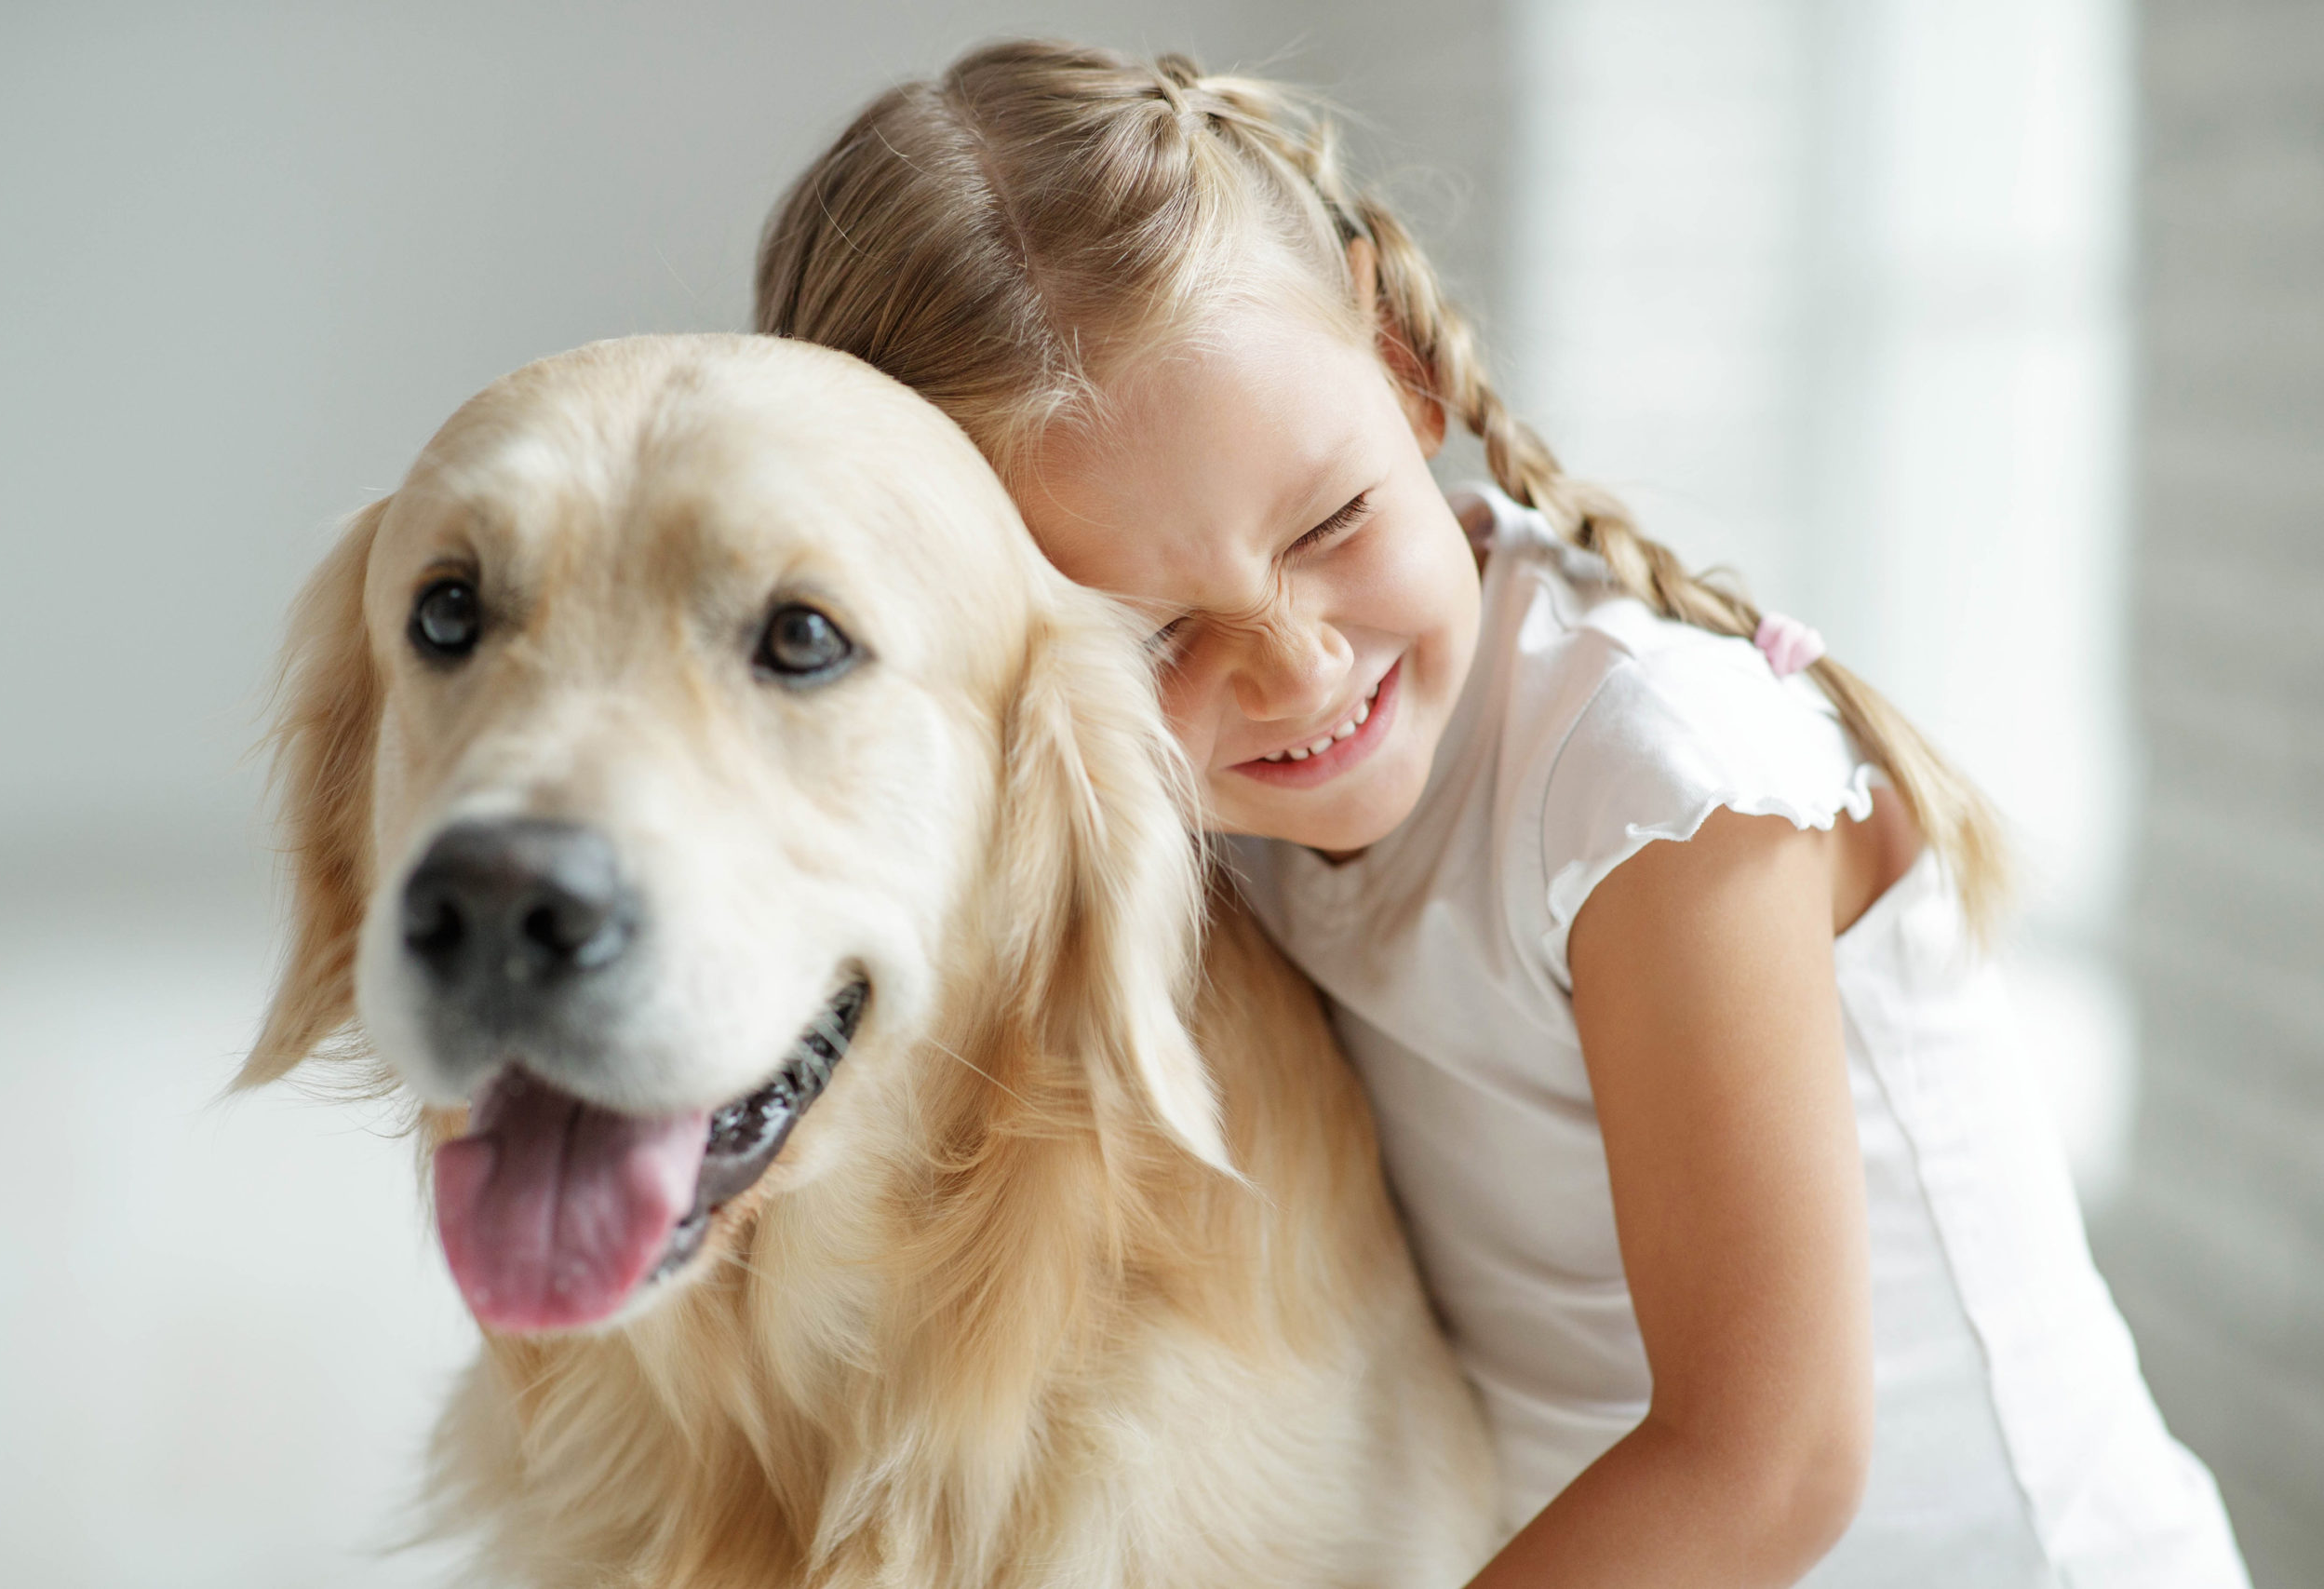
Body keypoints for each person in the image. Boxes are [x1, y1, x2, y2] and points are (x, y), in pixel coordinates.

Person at [752, 39, 2249, 1588]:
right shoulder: (1169, 818)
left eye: (1329, 522)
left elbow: (1770, 1458)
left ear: (1402, 372)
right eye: (1155, 638)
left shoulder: (1654, 792)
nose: (1296, 666)